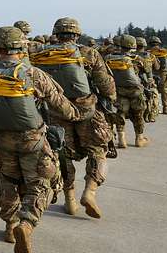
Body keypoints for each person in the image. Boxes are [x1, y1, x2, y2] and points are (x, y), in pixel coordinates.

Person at [0, 27, 78, 253]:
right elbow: (59, 104)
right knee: (39, 184)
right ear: (22, 47)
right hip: (33, 140)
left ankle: (10, 226)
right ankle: (27, 223)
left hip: (1, 138)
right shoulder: (32, 74)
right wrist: (75, 115)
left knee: (9, 180)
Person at [30, 17, 116, 219]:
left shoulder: (42, 54)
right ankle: (90, 192)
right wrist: (110, 99)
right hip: (87, 109)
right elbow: (106, 85)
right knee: (98, 149)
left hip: (56, 111)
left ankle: (70, 200)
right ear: (77, 34)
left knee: (63, 155)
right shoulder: (88, 53)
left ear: (56, 33)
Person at [107, 35, 151, 148]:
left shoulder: (109, 58)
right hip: (136, 91)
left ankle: (122, 139)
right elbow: (147, 69)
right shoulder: (137, 59)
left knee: (120, 113)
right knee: (138, 115)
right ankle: (139, 139)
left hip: (119, 90)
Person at [148, 35, 167, 114]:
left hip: (151, 74)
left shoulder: (148, 52)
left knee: (152, 91)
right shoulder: (165, 52)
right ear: (159, 43)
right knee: (165, 91)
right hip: (163, 74)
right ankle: (165, 108)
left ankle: (153, 108)